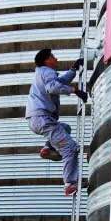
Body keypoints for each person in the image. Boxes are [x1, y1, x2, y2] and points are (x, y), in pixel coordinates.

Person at [25, 49, 88, 196]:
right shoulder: (47, 71)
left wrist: (73, 70)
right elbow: (53, 87)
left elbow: (59, 82)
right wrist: (75, 91)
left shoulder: (42, 73)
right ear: (46, 60)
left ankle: (48, 148)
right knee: (69, 148)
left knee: (65, 128)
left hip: (36, 120)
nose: (56, 59)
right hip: (43, 118)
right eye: (53, 56)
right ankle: (70, 184)